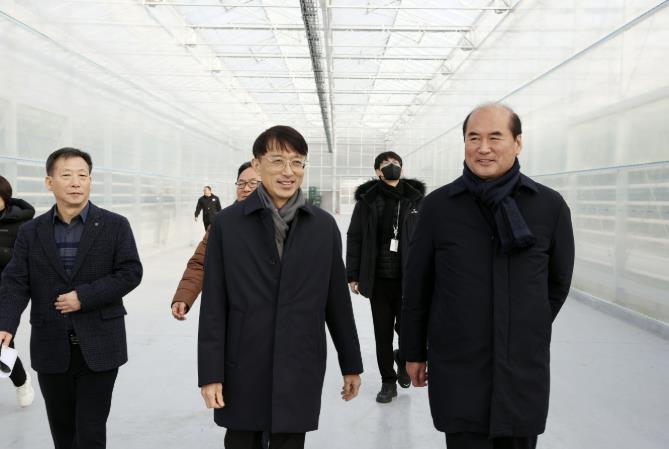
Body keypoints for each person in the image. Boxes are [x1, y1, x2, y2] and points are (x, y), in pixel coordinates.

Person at [400, 103, 575, 449]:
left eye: (495, 137)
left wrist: (526, 324)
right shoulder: (438, 207)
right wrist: (414, 351)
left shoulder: (548, 206)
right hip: (459, 363)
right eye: (473, 138)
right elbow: (417, 286)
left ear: (518, 142)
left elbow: (557, 283)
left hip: (521, 367)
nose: (483, 148)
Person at [198, 125, 363, 449]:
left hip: (300, 360)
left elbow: (337, 303)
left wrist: (351, 365)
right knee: (242, 439)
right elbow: (214, 305)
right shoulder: (228, 225)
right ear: (257, 165)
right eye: (277, 161)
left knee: (290, 438)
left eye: (297, 162)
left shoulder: (323, 227)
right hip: (244, 360)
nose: (289, 171)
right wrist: (210, 374)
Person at [0, 148, 143, 449]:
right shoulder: (31, 232)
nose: (76, 182)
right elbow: (16, 281)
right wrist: (6, 324)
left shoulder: (115, 225)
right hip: (51, 346)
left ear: (90, 181)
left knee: (90, 433)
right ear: (49, 182)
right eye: (66, 175)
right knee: (63, 434)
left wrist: (84, 297)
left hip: (100, 344)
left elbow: (130, 272)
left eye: (83, 175)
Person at [345, 151, 425, 403]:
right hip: (378, 279)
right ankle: (388, 382)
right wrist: (352, 274)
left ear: (402, 168)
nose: (392, 167)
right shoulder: (367, 201)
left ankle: (402, 357)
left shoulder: (416, 199)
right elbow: (355, 237)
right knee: (382, 334)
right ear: (378, 171)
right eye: (386, 164)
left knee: (408, 329)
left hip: (408, 279)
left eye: (396, 163)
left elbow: (428, 238)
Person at [171, 162, 260, 320]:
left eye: (253, 183)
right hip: (232, 311)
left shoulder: (281, 222)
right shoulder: (222, 223)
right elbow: (200, 262)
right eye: (241, 183)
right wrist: (183, 297)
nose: (246, 188)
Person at [0, 175, 36, 407]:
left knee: (2, 342)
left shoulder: (23, 225)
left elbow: (27, 260)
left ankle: (21, 381)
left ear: (5, 197)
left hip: (8, 289)